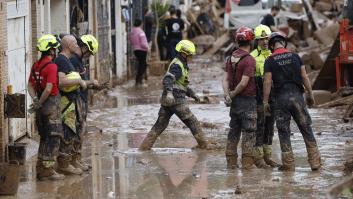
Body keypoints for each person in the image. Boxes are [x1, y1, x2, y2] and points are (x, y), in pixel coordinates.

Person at [139, 40, 212, 150]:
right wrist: (169, 93)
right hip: (176, 99)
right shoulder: (177, 66)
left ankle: (144, 147)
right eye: (190, 55)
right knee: (192, 121)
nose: (191, 57)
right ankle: (204, 145)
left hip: (169, 99)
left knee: (160, 125)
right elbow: (167, 80)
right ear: (184, 53)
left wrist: (192, 94)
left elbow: (181, 85)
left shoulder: (181, 63)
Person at [263, 32, 321, 171]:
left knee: (283, 131)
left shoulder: (270, 60)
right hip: (297, 97)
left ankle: (288, 165)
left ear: (271, 46)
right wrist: (310, 93)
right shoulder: (295, 56)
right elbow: (304, 77)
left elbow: (267, 82)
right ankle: (315, 163)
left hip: (280, 99)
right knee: (306, 128)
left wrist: (265, 102)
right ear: (283, 43)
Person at [28, 34, 65, 181]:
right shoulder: (52, 66)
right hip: (50, 107)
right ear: (50, 50)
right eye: (55, 49)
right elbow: (49, 88)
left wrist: (36, 100)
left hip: (40, 109)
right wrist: (41, 101)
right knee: (54, 138)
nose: (55, 51)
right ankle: (48, 170)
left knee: (44, 137)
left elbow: (30, 85)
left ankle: (40, 169)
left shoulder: (36, 65)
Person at [222, 27, 257, 169]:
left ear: (237, 41)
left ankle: (231, 164)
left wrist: (227, 95)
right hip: (247, 101)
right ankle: (247, 166)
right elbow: (243, 83)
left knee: (234, 130)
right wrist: (233, 94)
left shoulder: (230, 58)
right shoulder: (249, 60)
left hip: (235, 103)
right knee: (249, 132)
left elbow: (224, 80)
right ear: (251, 42)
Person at [55, 35, 87, 175]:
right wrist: (78, 81)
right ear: (68, 45)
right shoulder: (62, 60)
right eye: (75, 43)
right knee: (68, 132)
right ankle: (63, 165)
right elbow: (61, 82)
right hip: (65, 103)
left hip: (70, 101)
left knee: (72, 131)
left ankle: (68, 162)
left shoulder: (66, 60)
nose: (77, 45)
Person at [70, 34, 101, 171]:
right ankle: (73, 161)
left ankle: (77, 159)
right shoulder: (73, 61)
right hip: (76, 101)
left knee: (81, 131)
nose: (89, 56)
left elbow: (83, 83)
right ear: (85, 48)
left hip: (82, 100)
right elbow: (76, 83)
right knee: (77, 131)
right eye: (90, 53)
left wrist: (94, 86)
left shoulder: (80, 60)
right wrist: (91, 82)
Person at [250, 24, 280, 168]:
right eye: (262, 39)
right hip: (259, 95)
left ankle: (268, 156)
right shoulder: (252, 57)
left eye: (267, 38)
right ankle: (258, 157)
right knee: (260, 125)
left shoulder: (273, 54)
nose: (265, 41)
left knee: (270, 125)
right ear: (257, 40)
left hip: (274, 94)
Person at [130, 19, 149, 86]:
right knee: (143, 65)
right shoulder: (141, 32)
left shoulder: (132, 31)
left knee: (141, 64)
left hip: (135, 50)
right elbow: (143, 43)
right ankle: (138, 80)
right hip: (142, 50)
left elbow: (131, 41)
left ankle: (139, 80)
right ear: (141, 24)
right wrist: (147, 48)